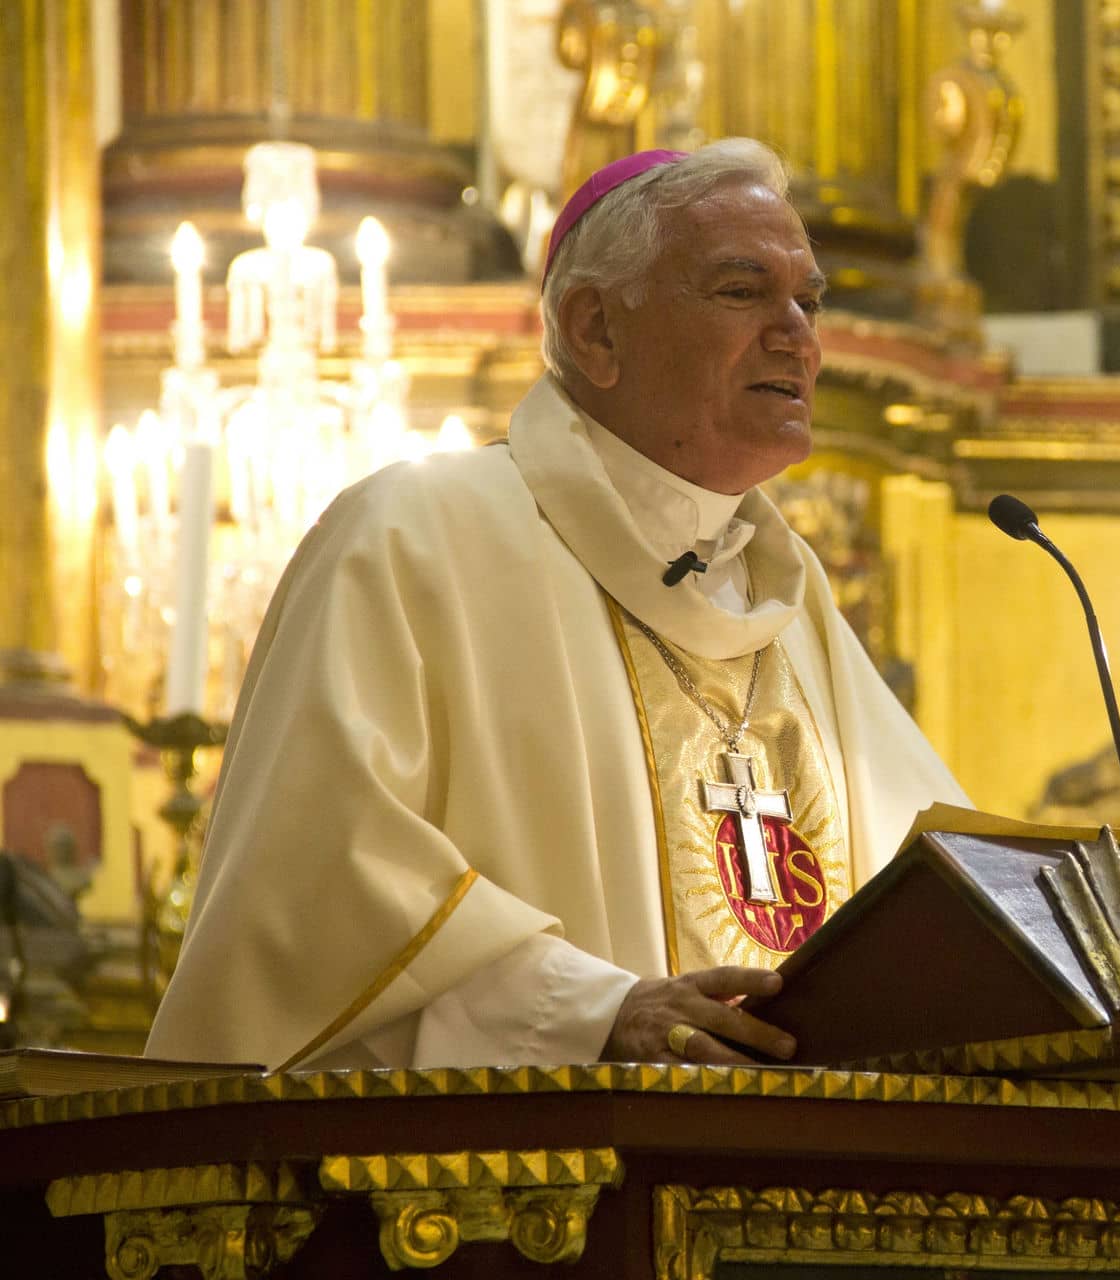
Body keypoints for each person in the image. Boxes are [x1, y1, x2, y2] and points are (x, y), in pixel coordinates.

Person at [145, 139, 969, 1073]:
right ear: (595, 329)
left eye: (808, 302)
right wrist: (595, 1014)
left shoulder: (787, 589)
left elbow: (952, 886)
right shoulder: (415, 537)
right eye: (743, 292)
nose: (800, 336)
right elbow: (309, 887)